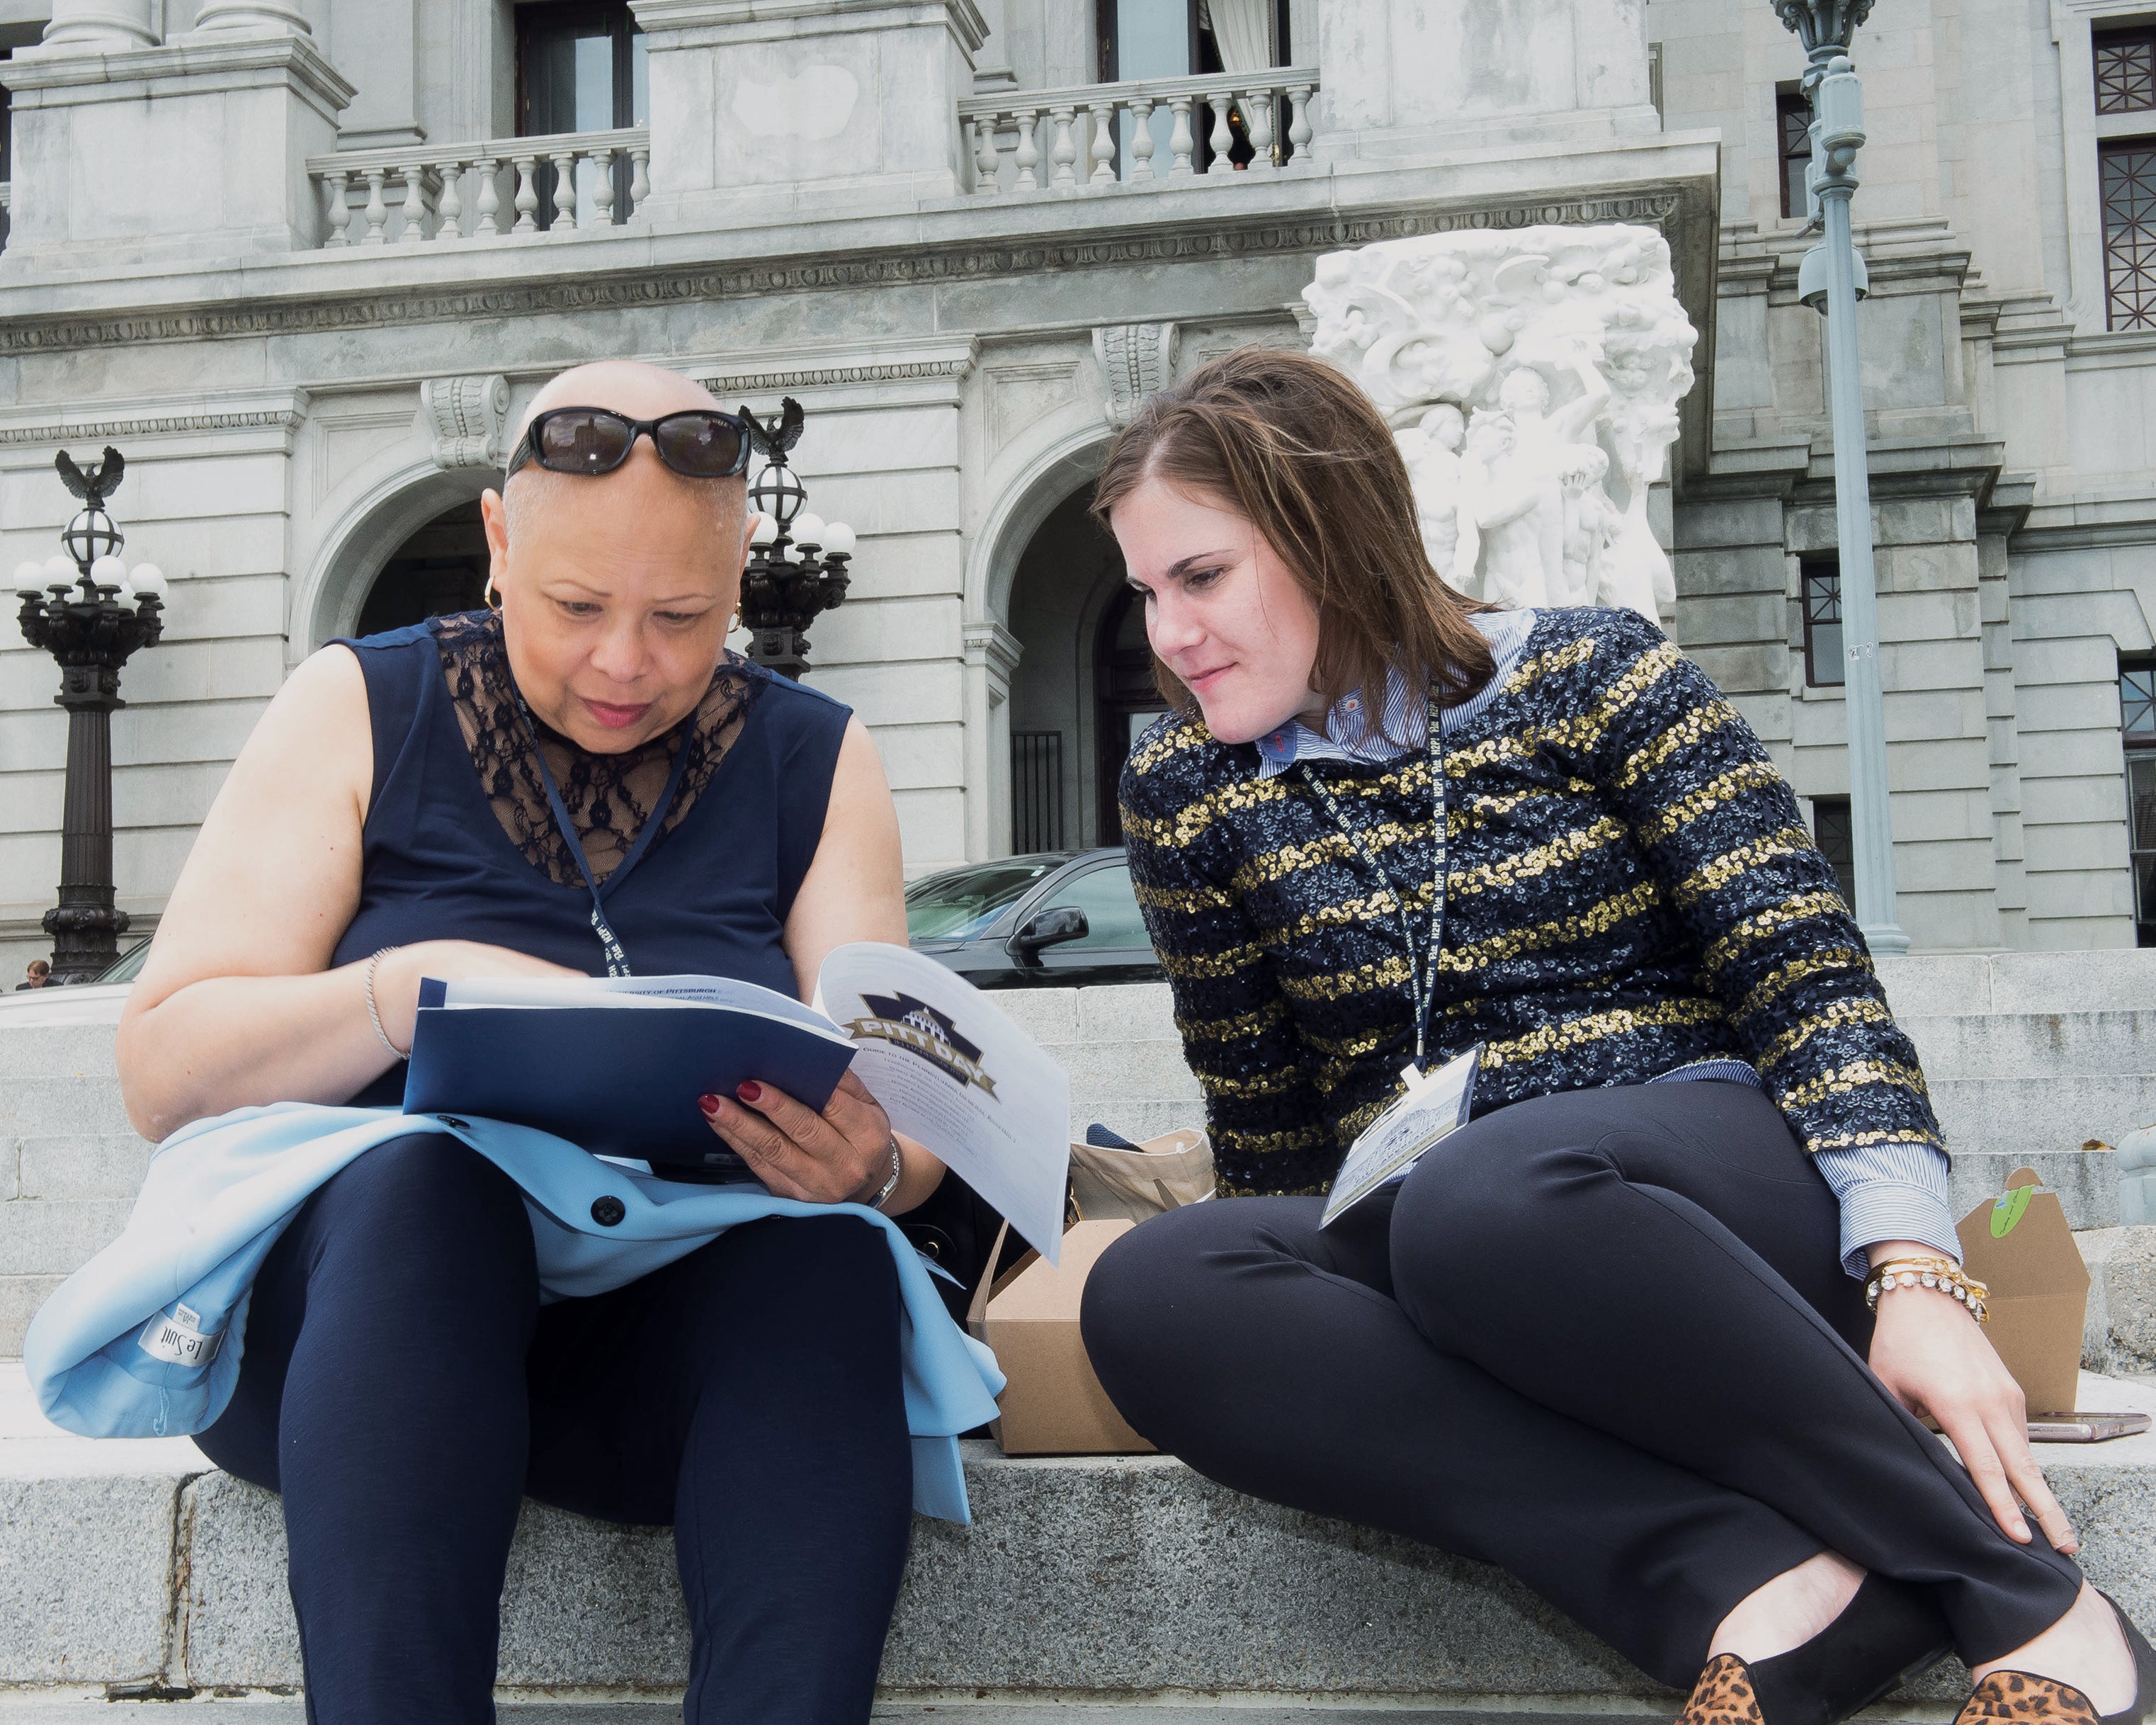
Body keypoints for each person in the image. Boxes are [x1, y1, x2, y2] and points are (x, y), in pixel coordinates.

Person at [1078, 348, 2156, 1725]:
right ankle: (1765, 1584)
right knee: (1155, 1288)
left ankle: (2031, 1599)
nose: (1168, 637)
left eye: (1201, 577)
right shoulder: (1183, 784)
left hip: (1694, 1193)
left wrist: (1913, 1275)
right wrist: (1299, 1314)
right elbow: (1269, 1123)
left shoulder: (1596, 677)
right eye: (1144, 593)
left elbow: (1807, 978)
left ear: (1329, 536)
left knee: (1484, 1197)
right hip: (1439, 1226)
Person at [114, 360, 955, 1725]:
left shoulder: (818, 755)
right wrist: (404, 989)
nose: (627, 663)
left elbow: (920, 1131)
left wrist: (870, 1166)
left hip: (654, 1363)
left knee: (825, 1256)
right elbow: (162, 1071)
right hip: (360, 1345)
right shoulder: (355, 703)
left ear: (744, 570)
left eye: (683, 616)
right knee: (425, 1184)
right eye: (576, 607)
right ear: (500, 543)